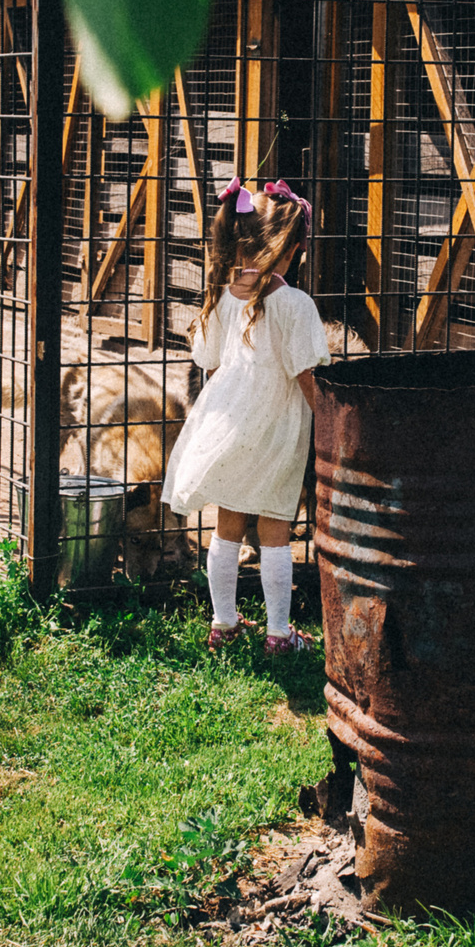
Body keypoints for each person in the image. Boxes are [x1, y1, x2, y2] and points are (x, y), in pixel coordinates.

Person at [161, 175, 329, 653]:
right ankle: (278, 634)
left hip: (229, 423)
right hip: (276, 429)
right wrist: (329, 425)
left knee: (227, 526)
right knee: (275, 530)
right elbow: (305, 373)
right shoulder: (295, 304)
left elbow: (211, 362)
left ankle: (224, 624)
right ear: (290, 249)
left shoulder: (220, 295)